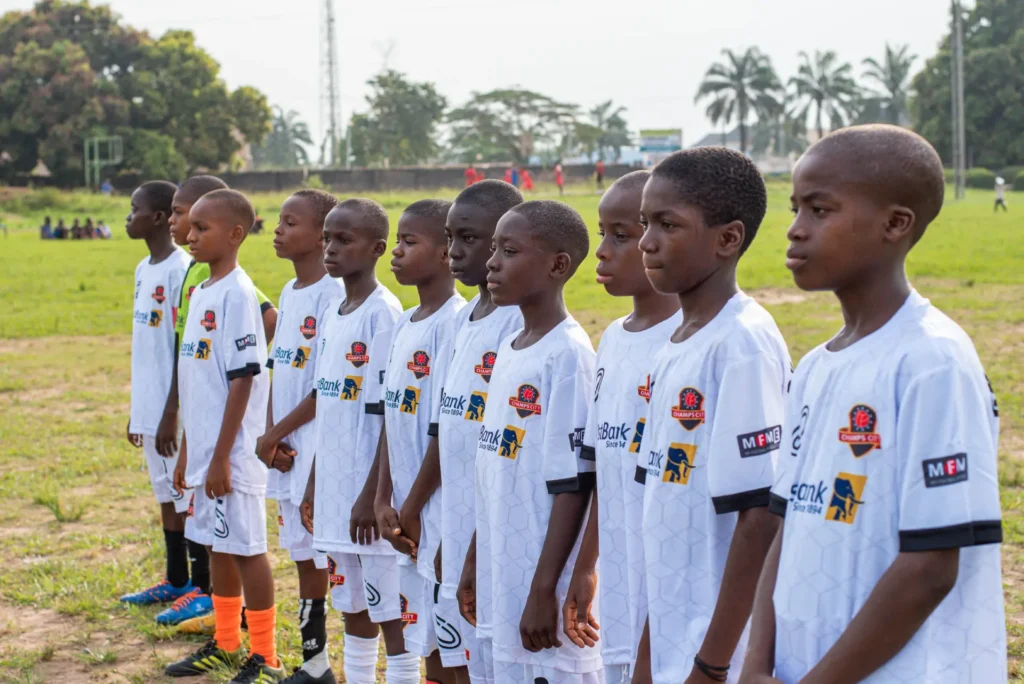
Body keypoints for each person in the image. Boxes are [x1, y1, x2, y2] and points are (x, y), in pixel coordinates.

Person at [742, 124, 1006, 684]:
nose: (794, 230)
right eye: (795, 209)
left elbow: (930, 568)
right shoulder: (814, 366)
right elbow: (785, 522)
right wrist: (757, 662)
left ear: (895, 224)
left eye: (819, 210)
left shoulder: (932, 361)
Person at [631, 147, 790, 684]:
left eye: (667, 224)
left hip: (720, 643)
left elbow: (760, 517)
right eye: (644, 223)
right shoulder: (676, 341)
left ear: (728, 239)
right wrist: (649, 655)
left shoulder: (741, 342)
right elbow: (666, 517)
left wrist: (713, 662)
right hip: (675, 629)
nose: (646, 241)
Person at [460, 200, 602, 683]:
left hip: (543, 580)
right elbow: (495, 468)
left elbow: (574, 485)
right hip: (502, 565)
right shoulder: (511, 347)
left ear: (558, 265)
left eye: (509, 251)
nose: (492, 263)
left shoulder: (567, 356)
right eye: (494, 248)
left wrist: (545, 588)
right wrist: (476, 557)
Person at [561, 170, 680, 684]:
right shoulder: (611, 338)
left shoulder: (686, 345)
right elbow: (604, 471)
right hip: (620, 580)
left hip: (671, 593)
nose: (603, 251)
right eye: (602, 234)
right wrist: (587, 565)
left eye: (621, 236)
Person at [166, 189, 282, 682]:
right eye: (190, 227)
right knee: (219, 547)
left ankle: (266, 655)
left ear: (236, 234)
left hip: (232, 456)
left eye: (202, 229)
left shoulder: (237, 293)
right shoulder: (202, 291)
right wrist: (190, 452)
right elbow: (199, 383)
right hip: (207, 452)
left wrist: (219, 459)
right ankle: (226, 643)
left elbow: (243, 378)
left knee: (248, 549)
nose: (190, 236)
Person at [300, 198, 413, 684]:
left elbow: (387, 411)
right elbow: (329, 407)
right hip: (335, 487)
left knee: (391, 608)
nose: (330, 248)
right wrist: (313, 481)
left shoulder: (383, 314)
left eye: (343, 240)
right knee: (350, 601)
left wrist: (373, 494)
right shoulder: (334, 309)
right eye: (327, 238)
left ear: (376, 248)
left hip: (369, 495)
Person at [434, 180, 524, 684]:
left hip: (495, 527)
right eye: (449, 238)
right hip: (455, 515)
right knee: (459, 648)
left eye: (468, 238)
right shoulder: (465, 316)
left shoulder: (514, 323)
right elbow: (444, 428)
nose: (454, 252)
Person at [375, 199, 467, 684]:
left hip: (434, 509)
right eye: (397, 240)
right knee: (427, 635)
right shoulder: (406, 322)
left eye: (410, 242)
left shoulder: (454, 322)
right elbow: (394, 417)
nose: (396, 252)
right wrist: (383, 496)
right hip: (405, 511)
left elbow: (442, 429)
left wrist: (412, 504)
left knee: (452, 643)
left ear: (444, 253)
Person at [254, 190, 343, 683]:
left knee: (324, 557)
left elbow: (323, 386)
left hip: (314, 445)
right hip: (286, 446)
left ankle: (322, 663)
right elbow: (279, 369)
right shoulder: (290, 293)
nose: (278, 229)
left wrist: (278, 433)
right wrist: (270, 434)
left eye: (291, 222)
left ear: (322, 236)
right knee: (302, 553)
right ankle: (314, 664)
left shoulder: (334, 295)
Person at [119, 181, 195, 616]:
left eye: (134, 209)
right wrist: (138, 412)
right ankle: (175, 578)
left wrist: (170, 412)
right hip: (150, 408)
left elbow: (181, 346)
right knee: (163, 493)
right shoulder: (143, 268)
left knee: (184, 498)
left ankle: (197, 586)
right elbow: (145, 349)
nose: (128, 217)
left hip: (174, 409)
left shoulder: (180, 269)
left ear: (159, 217)